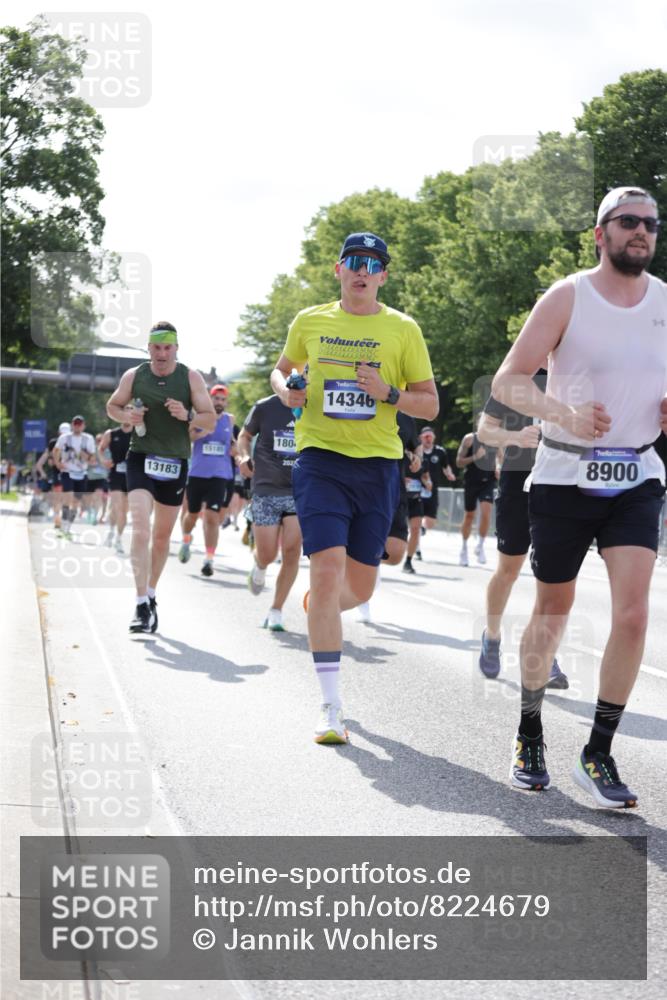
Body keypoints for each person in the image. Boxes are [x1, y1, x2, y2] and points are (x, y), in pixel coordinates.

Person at [491, 186, 667, 807]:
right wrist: (564, 413)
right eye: (628, 221)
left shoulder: (665, 302)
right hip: (565, 473)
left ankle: (598, 752)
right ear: (600, 233)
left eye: (650, 223)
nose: (641, 231)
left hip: (637, 474)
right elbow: (509, 381)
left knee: (634, 614)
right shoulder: (568, 296)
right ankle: (529, 732)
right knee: (554, 610)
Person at [270, 231, 438, 744]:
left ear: (383, 275)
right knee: (325, 572)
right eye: (354, 262)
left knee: (361, 587)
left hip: (378, 468)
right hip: (320, 461)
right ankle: (330, 707)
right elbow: (280, 372)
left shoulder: (402, 329)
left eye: (372, 264)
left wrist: (388, 393)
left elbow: (430, 405)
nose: (362, 271)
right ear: (338, 269)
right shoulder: (309, 320)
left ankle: (319, 606)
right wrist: (288, 392)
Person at [106, 321, 215, 633]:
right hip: (141, 457)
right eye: (157, 347)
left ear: (176, 348)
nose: (162, 353)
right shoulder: (135, 376)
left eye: (168, 348)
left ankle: (151, 593)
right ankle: (140, 602)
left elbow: (210, 420)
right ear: (149, 348)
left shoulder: (190, 378)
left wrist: (188, 415)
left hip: (174, 461)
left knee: (161, 537)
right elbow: (112, 406)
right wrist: (127, 415)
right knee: (141, 529)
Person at [476, 374, 568, 689]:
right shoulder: (516, 379)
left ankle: (545, 655)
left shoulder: (575, 377)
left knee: (553, 577)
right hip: (517, 483)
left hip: (560, 484)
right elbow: (484, 430)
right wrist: (515, 437)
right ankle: (491, 635)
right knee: (508, 570)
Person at [237, 392, 302, 631]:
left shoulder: (314, 406)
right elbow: (244, 436)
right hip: (266, 488)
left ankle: (276, 610)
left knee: (292, 551)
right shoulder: (265, 406)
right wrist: (244, 456)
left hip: (299, 490)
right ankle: (260, 565)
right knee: (267, 554)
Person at [178, 384, 236, 576]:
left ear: (226, 403)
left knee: (212, 517)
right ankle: (186, 539)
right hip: (197, 474)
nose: (219, 402)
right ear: (210, 400)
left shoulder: (229, 420)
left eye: (222, 400)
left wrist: (237, 451)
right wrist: (199, 433)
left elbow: (232, 442)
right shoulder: (198, 417)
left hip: (220, 475)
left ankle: (209, 559)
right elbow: (186, 438)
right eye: (216, 398)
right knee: (192, 515)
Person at [403, 426, 455, 572]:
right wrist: (401, 480)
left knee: (416, 528)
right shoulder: (401, 457)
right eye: (424, 437)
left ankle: (408, 561)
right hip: (400, 498)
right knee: (397, 539)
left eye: (430, 436)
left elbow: (426, 476)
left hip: (417, 497)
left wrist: (428, 483)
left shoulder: (425, 460)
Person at [455, 430, 498, 566]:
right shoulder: (469, 439)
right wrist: (475, 457)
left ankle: (480, 546)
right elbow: (459, 462)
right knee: (469, 516)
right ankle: (464, 548)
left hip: (488, 482)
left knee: (486, 512)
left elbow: (500, 458)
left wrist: (498, 468)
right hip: (471, 482)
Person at [52, 416, 96, 537]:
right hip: (67, 472)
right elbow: (56, 450)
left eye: (79, 424)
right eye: (75, 424)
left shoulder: (88, 438)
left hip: (82, 473)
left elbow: (92, 458)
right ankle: (63, 526)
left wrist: (84, 455)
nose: (77, 426)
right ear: (72, 425)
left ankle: (68, 526)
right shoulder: (64, 438)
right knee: (67, 498)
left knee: (76, 502)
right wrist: (57, 463)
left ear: (84, 426)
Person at [98, 407, 133, 553]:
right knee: (117, 506)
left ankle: (118, 538)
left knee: (124, 510)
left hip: (133, 475)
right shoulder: (111, 433)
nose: (127, 416)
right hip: (116, 474)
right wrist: (103, 460)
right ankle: (112, 532)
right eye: (125, 412)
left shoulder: (138, 433)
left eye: (130, 412)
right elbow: (101, 449)